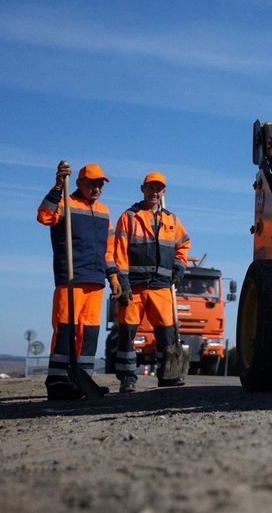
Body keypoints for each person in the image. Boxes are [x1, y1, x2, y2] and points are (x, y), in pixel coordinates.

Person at [36, 161, 120, 400]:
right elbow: (44, 216)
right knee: (65, 330)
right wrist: (56, 187)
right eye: (93, 183)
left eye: (100, 184)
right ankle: (58, 382)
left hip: (95, 280)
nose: (97, 188)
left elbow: (109, 250)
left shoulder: (104, 212)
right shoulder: (65, 203)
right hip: (70, 278)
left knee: (89, 333)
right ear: (80, 182)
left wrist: (113, 277)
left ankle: (82, 380)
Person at [113, 172, 190, 392]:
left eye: (158, 189)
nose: (154, 192)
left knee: (166, 333)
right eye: (150, 188)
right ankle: (127, 378)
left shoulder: (171, 220)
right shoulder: (129, 217)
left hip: (162, 287)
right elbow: (119, 253)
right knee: (127, 333)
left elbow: (183, 245)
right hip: (134, 287)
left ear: (163, 192)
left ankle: (167, 375)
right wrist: (123, 284)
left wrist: (179, 269)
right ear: (142, 189)